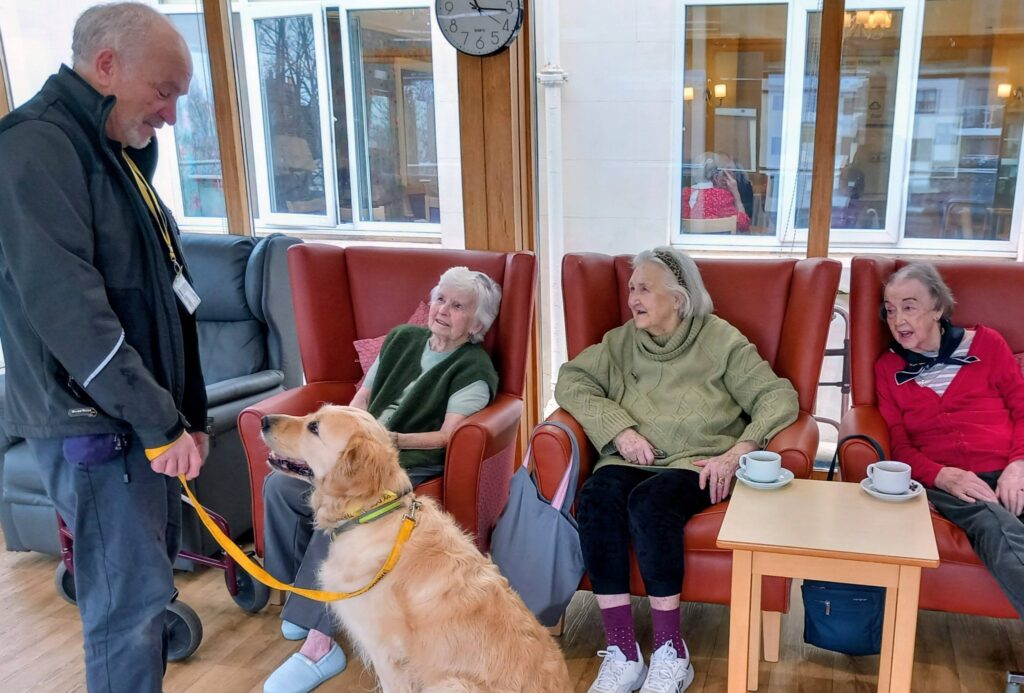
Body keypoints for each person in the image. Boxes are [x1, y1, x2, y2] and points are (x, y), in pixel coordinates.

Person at [0, 4, 206, 691]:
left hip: (133, 427)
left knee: (144, 600)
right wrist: (156, 418)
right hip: (99, 431)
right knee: (127, 612)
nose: (173, 115)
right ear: (108, 66)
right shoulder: (36, 147)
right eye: (165, 91)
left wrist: (187, 413)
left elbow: (166, 291)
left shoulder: (111, 154)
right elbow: (72, 313)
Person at [554, 247, 798, 693]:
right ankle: (624, 650)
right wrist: (620, 430)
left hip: (700, 462)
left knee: (650, 504)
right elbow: (571, 380)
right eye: (631, 289)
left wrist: (738, 450)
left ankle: (671, 651)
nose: (633, 299)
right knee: (597, 496)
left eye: (644, 289)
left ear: (680, 298)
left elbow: (777, 397)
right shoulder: (621, 341)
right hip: (633, 457)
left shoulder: (721, 340)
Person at [262, 266, 502, 693]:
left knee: (348, 509)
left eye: (458, 306)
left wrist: (387, 438)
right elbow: (360, 401)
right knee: (280, 488)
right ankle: (304, 604)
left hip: (408, 461)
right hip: (353, 452)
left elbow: (448, 436)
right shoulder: (401, 339)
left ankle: (320, 646)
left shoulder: (474, 369)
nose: (443, 310)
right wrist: (341, 439)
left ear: (478, 323)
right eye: (440, 299)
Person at [875, 263, 1024, 616]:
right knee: (994, 525)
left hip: (1009, 468)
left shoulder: (988, 344)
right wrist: (943, 475)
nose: (898, 320)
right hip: (947, 483)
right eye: (891, 310)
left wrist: (1018, 465)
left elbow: (1021, 409)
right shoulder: (888, 369)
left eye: (909, 307)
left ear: (938, 308)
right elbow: (899, 446)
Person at [682, 152, 751, 232]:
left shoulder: (684, 195)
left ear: (694, 173)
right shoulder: (723, 197)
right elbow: (743, 225)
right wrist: (737, 196)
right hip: (719, 244)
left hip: (690, 244)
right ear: (717, 175)